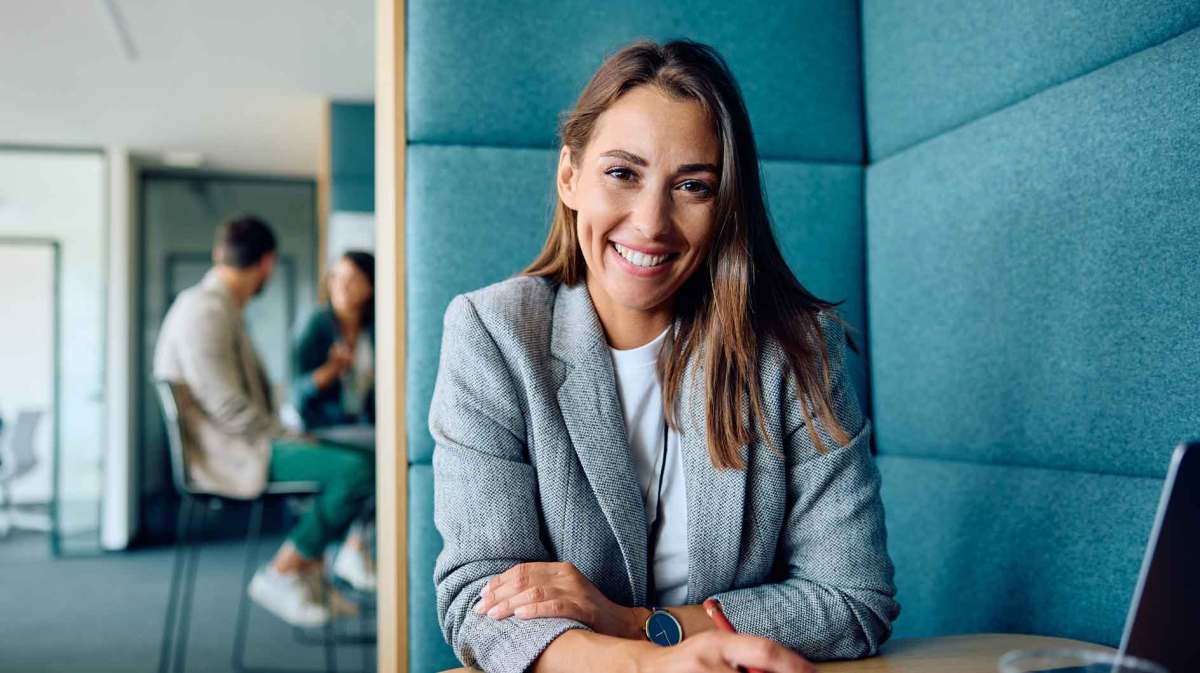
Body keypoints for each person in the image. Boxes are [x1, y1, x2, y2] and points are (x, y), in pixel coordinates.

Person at [430, 40, 899, 673]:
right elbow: (479, 601)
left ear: (725, 204)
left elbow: (853, 598)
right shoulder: (493, 335)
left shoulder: (796, 351)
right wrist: (649, 667)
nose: (652, 222)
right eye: (622, 173)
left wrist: (637, 626)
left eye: (693, 186)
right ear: (570, 177)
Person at [154, 214, 374, 628]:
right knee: (358, 469)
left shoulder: (216, 307)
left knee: (354, 459)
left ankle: (310, 574)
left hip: (242, 442)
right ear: (267, 264)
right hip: (232, 453)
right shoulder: (205, 311)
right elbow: (227, 407)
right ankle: (285, 570)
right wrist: (291, 435)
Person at [290, 250, 377, 591]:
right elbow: (297, 394)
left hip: (362, 426)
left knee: (385, 451)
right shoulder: (316, 326)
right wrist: (331, 372)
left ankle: (355, 545)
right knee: (387, 453)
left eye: (353, 278)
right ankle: (355, 546)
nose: (343, 286)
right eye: (337, 277)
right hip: (321, 426)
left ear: (370, 286)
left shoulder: (376, 328)